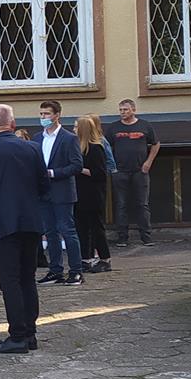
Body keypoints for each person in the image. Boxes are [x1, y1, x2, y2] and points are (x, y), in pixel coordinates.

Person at [0, 105, 49, 354]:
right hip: (30, 221)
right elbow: (44, 184)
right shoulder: (32, 148)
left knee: (10, 280)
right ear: (13, 124)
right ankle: (30, 333)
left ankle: (17, 335)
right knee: (27, 278)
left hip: (2, 222)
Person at [32, 100, 86, 287]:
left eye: (47, 114)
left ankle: (76, 270)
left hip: (62, 191)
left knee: (67, 230)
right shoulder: (37, 138)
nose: (43, 117)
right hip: (43, 191)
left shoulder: (68, 138)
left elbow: (76, 165)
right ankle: (55, 270)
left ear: (57, 115)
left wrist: (54, 173)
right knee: (50, 232)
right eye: (41, 114)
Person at [109, 99, 160, 246]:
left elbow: (155, 144)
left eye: (125, 109)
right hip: (120, 171)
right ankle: (122, 237)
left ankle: (146, 236)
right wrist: (112, 166)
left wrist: (148, 162)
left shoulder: (145, 126)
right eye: (120, 110)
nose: (122, 112)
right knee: (121, 204)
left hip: (140, 171)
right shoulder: (113, 128)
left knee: (142, 204)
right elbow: (106, 147)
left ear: (133, 110)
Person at [74, 114, 116, 274]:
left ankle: (105, 259)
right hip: (79, 193)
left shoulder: (96, 148)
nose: (74, 129)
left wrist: (79, 169)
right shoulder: (78, 147)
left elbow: (99, 173)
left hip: (93, 194)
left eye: (76, 126)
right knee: (82, 227)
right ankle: (86, 258)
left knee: (96, 227)